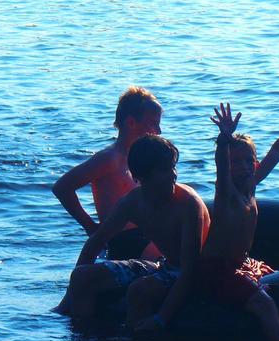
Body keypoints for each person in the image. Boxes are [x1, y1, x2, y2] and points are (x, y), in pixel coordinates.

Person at [139, 93, 279, 341]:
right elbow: (221, 163)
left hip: (243, 263)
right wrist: (224, 139)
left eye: (248, 161)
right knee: (263, 303)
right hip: (214, 270)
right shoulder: (227, 191)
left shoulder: (251, 185)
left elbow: (278, 150)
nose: (243, 166)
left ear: (255, 163)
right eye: (236, 162)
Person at [54, 134, 210, 322]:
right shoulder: (132, 203)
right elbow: (96, 242)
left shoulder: (188, 205)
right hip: (164, 266)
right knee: (81, 276)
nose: (173, 175)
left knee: (139, 290)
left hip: (196, 273)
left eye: (173, 167)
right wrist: (68, 299)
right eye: (164, 170)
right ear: (141, 176)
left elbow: (189, 270)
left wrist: (160, 319)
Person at [52, 86, 163, 259]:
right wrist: (91, 228)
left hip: (145, 234)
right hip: (124, 241)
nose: (159, 131)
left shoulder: (140, 158)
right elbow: (62, 187)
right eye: (153, 123)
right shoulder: (109, 158)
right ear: (131, 123)